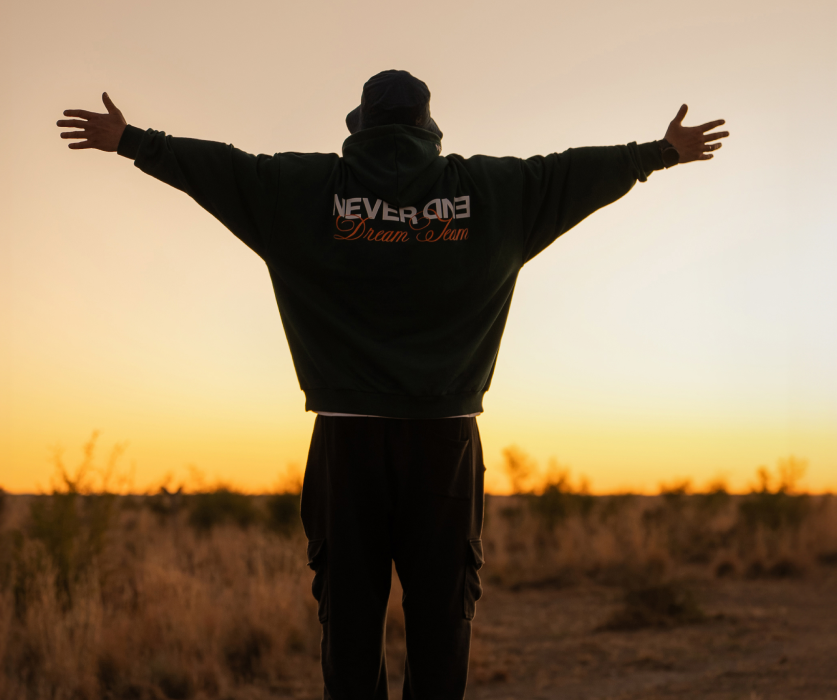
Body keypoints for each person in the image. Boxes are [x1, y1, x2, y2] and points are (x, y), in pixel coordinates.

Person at [57, 70, 728, 699]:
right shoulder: (491, 193)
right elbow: (569, 173)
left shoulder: (303, 190)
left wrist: (132, 140)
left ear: (360, 126)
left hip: (346, 441)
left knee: (348, 619)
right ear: (427, 127)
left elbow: (222, 169)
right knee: (442, 617)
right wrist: (659, 152)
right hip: (445, 442)